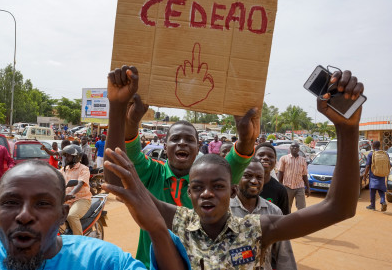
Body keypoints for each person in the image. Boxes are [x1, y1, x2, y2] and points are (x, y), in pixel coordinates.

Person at [103, 68, 365, 269]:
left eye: (217, 186)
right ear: (189, 195)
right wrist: (116, 106)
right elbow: (117, 179)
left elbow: (339, 208)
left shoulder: (257, 229)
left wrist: (347, 128)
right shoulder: (180, 222)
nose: (206, 193)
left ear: (232, 191)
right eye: (197, 188)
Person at [104, 65, 258, 268]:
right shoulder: (152, 171)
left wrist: (246, 138)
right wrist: (130, 119)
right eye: (175, 139)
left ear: (197, 147)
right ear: (165, 147)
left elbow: (238, 158)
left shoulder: (209, 180)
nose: (182, 143)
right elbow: (122, 154)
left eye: (189, 140)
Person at [0, 160, 190, 270]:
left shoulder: (102, 261)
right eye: (11, 202)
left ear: (60, 214)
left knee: (76, 218)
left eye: (42, 203)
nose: (25, 215)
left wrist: (158, 229)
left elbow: (82, 185)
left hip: (82, 200)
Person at [230, 159, 296, 270]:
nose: (254, 181)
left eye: (259, 177)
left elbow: (284, 254)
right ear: (237, 178)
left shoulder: (274, 212)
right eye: (247, 175)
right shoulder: (223, 210)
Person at [58, 145, 92, 235]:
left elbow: (80, 183)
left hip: (81, 199)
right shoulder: (64, 169)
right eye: (65, 155)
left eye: (68, 155)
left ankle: (79, 242)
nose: (65, 158)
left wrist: (72, 193)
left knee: (71, 216)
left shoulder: (84, 169)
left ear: (76, 157)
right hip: (66, 200)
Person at [255, 142, 290, 215]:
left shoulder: (280, 190)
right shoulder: (243, 185)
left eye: (270, 156)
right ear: (253, 158)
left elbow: (285, 219)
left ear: (275, 162)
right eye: (261, 155)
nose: (265, 158)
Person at [277, 142, 310, 213]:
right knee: (287, 207)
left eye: (296, 147)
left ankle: (300, 222)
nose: (294, 148)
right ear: (290, 148)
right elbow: (280, 172)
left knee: (302, 208)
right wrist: (279, 186)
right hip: (287, 186)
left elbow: (304, 175)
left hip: (299, 187)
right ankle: (287, 222)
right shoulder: (284, 158)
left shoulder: (303, 160)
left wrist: (308, 187)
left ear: (299, 149)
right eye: (293, 147)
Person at [364, 140, 390, 211]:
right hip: (381, 175)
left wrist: (365, 175)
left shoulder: (371, 154)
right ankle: (383, 201)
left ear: (373, 146)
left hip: (373, 175)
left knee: (372, 190)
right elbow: (389, 165)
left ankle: (372, 205)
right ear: (380, 146)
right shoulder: (385, 154)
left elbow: (368, 166)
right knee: (381, 190)